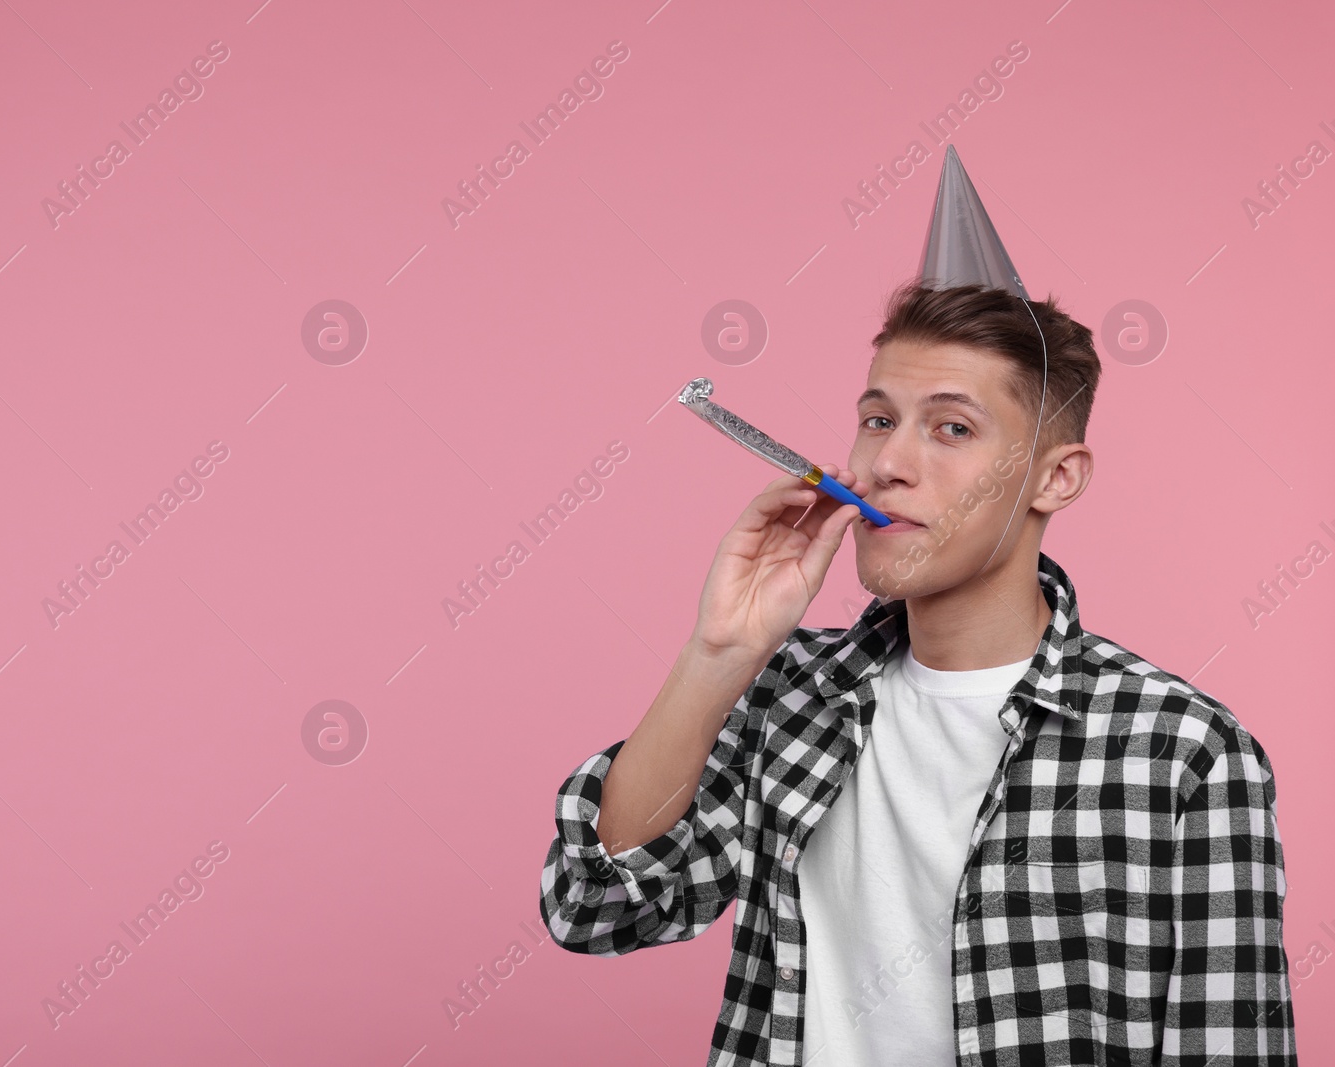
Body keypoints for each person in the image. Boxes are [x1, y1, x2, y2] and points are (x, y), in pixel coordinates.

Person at [538, 147, 1296, 1067]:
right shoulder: (786, 694)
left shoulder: (1182, 750)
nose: (888, 463)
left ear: (1056, 476)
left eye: (952, 427)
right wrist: (719, 650)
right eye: (877, 418)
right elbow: (600, 904)